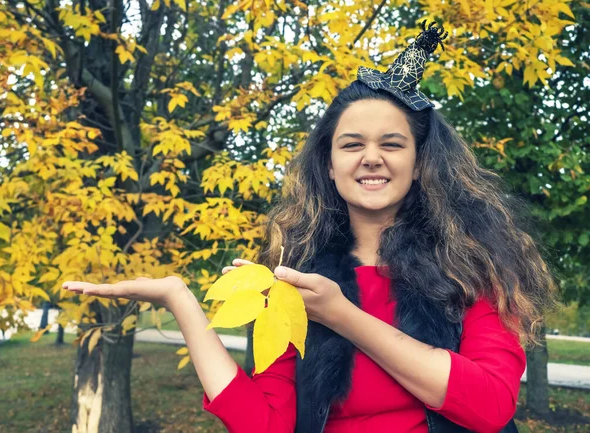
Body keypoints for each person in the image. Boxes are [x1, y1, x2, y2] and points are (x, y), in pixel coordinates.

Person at [63, 20, 558, 433]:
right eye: (351, 144)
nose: (371, 158)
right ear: (327, 163)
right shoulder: (290, 280)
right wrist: (180, 301)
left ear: (421, 161)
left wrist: (342, 316)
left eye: (391, 143)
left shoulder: (471, 264)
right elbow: (266, 425)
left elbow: (491, 406)